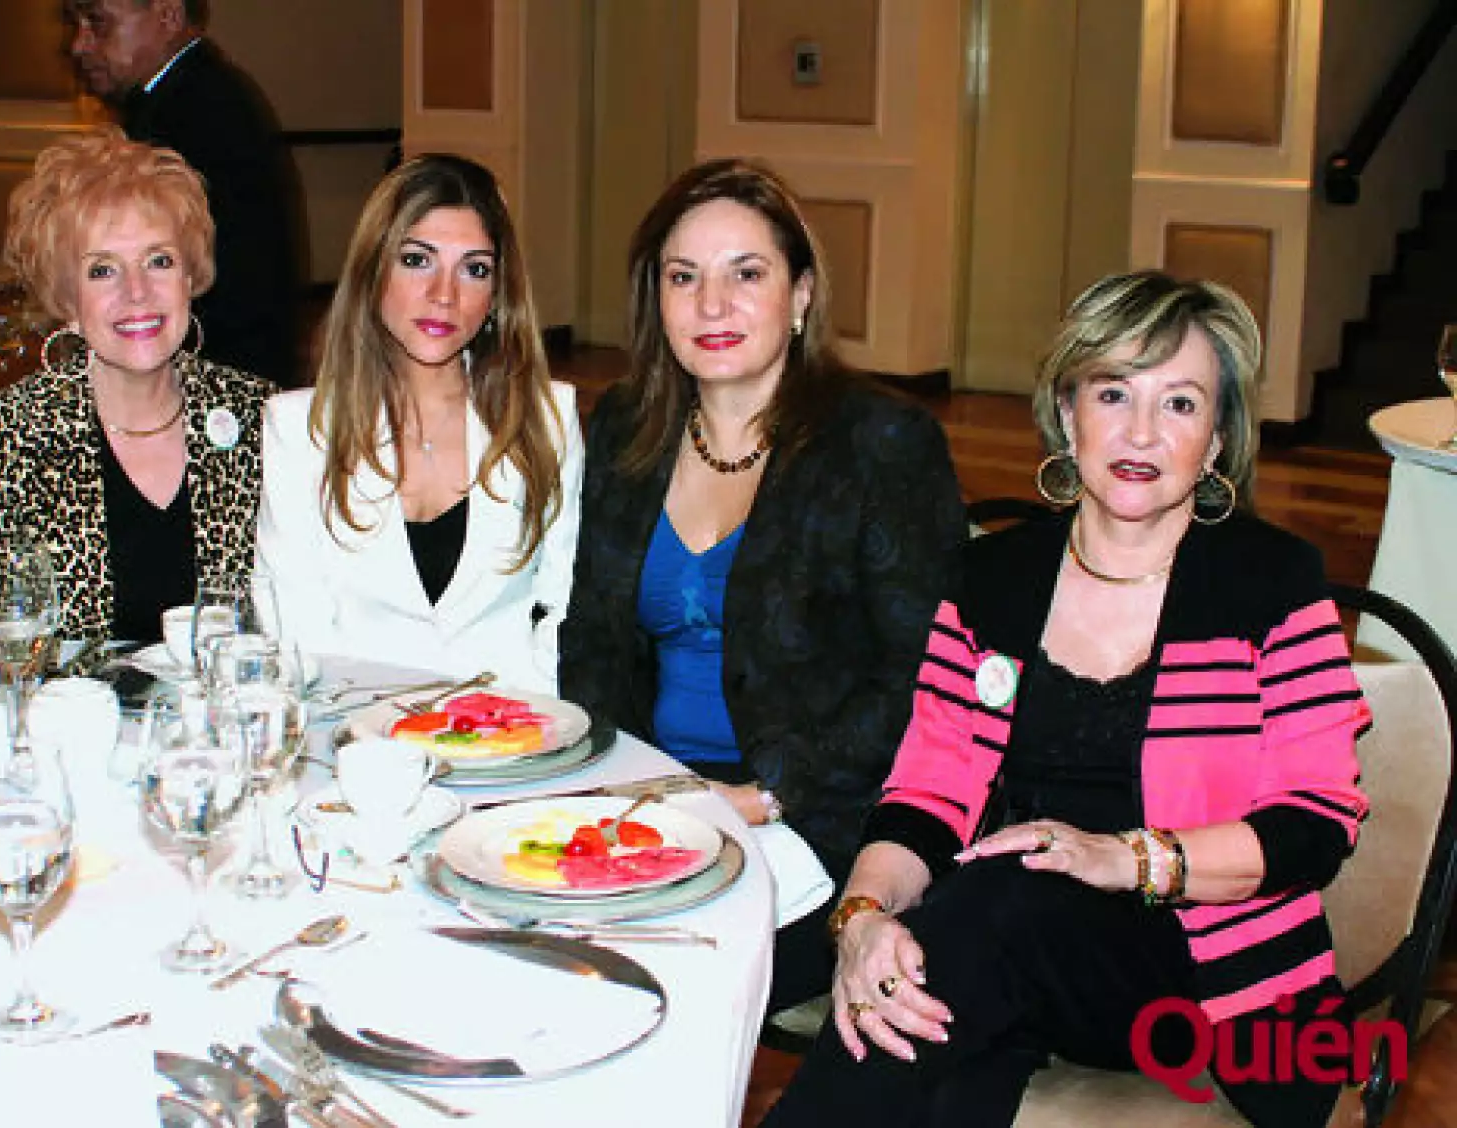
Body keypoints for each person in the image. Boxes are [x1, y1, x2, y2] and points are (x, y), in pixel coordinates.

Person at [764, 271, 1371, 1128]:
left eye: (1181, 404)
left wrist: (1124, 857)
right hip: (1014, 952)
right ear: (1066, 407)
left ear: (1222, 434)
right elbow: (927, 797)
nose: (1141, 432)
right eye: (1114, 392)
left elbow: (1317, 825)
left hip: (1212, 992)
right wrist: (862, 921)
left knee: (995, 906)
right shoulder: (991, 579)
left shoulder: (1271, 582)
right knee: (940, 1005)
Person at [558, 159, 967, 1009]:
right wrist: (610, 776)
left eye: (747, 274)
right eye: (684, 278)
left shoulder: (880, 444)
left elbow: (922, 677)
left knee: (660, 982)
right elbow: (592, 635)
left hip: (817, 813)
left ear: (803, 293)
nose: (712, 306)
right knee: (534, 945)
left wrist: (762, 794)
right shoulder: (630, 424)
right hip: (655, 792)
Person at [0, 128, 273, 648]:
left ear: (190, 277)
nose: (137, 292)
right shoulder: (6, 438)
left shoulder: (260, 418)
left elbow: (312, 621)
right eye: (102, 270)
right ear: (67, 298)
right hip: (65, 727)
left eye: (160, 261)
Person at [254, 154, 582, 694]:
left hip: (510, 733)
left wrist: (520, 733)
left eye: (474, 269)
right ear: (372, 271)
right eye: (417, 260)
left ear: (497, 297)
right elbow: (294, 633)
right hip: (354, 738)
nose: (444, 294)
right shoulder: (299, 430)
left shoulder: (548, 419)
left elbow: (562, 611)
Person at [65, 0, 301, 387]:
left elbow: (210, 279)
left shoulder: (192, 111)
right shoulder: (190, 94)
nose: (80, 44)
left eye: (98, 23)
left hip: (215, 375)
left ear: (169, 16)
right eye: (76, 24)